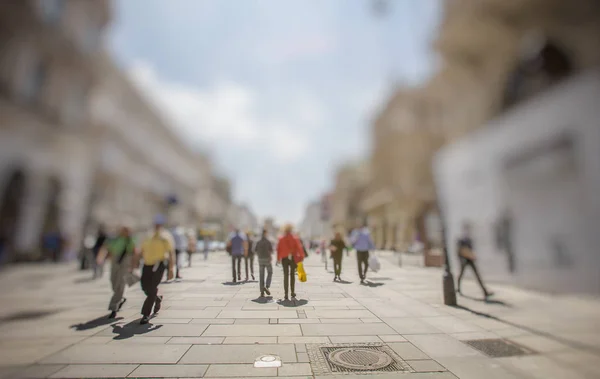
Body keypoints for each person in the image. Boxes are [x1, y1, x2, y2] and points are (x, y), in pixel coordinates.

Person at [132, 215, 175, 325]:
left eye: (159, 224)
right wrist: (135, 263)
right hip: (147, 264)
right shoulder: (148, 236)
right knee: (144, 286)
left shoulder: (165, 236)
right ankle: (157, 298)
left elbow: (170, 252)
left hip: (159, 264)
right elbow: (140, 250)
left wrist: (171, 268)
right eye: (156, 224)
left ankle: (146, 314)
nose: (157, 226)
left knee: (152, 287)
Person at [97, 225, 136, 319]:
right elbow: (105, 248)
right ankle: (120, 298)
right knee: (113, 281)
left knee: (120, 283)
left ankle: (114, 307)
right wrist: (100, 257)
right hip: (115, 262)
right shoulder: (114, 239)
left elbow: (134, 252)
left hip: (125, 263)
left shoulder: (130, 240)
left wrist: (133, 265)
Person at [456, 223, 493, 298]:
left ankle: (484, 291)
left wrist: (473, 256)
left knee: (477, 275)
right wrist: (461, 259)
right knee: (461, 275)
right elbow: (459, 251)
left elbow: (471, 250)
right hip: (464, 260)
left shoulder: (469, 240)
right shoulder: (460, 240)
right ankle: (458, 288)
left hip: (470, 260)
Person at [276, 224, 305, 301]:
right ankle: (292, 292)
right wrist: (301, 256)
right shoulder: (295, 238)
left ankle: (286, 294)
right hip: (293, 258)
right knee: (292, 275)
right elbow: (299, 247)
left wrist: (278, 258)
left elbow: (278, 249)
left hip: (284, 258)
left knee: (285, 275)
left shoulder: (281, 238)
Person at [254, 229, 274, 297]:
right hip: (267, 259)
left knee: (261, 275)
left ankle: (262, 292)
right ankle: (267, 286)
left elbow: (255, 250)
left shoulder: (258, 242)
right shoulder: (268, 241)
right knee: (270, 272)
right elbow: (271, 250)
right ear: (265, 233)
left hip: (260, 260)